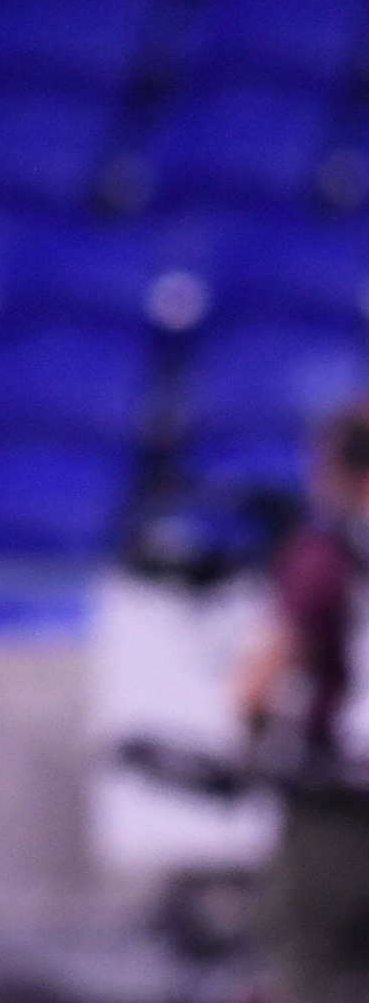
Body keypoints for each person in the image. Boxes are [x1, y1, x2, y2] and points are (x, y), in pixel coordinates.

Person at [236, 397, 369, 1003]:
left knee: (306, 968)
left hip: (339, 807)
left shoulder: (324, 556)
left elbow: (259, 678)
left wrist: (254, 741)